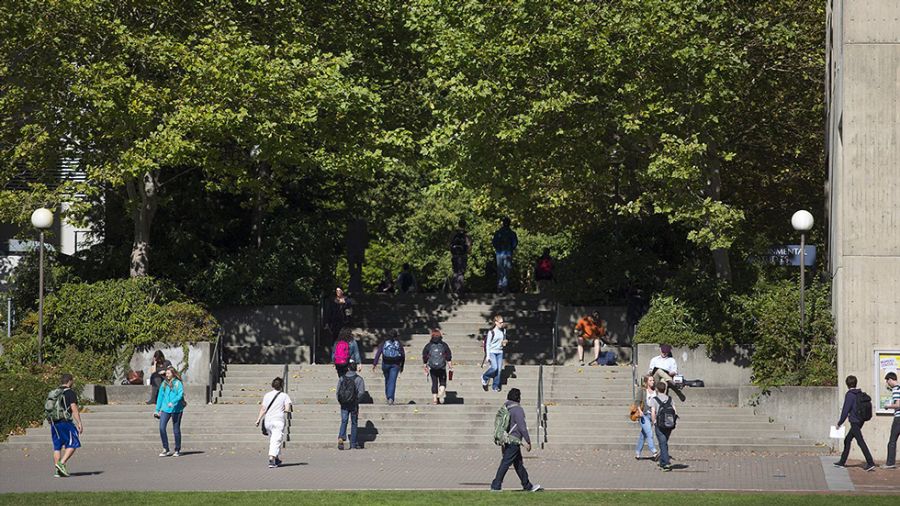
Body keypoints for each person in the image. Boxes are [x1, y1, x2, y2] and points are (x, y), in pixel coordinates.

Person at [490, 388, 543, 492]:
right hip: (514, 441)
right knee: (505, 463)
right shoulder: (518, 409)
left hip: (508, 439)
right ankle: (496, 486)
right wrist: (527, 441)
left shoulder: (507, 407)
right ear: (518, 397)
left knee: (518, 464)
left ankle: (527, 485)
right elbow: (522, 427)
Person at [834, 375, 876, 471]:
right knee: (847, 440)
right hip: (860, 420)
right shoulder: (859, 393)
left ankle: (870, 462)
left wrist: (839, 423)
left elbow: (845, 410)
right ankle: (842, 462)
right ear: (856, 383)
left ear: (847, 384)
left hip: (854, 421)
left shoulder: (850, 395)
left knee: (860, 441)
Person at [45, 373, 83, 477]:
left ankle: (57, 471)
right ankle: (61, 464)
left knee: (57, 447)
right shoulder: (70, 393)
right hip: (65, 422)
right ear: (70, 381)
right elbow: (74, 408)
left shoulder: (54, 393)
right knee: (74, 442)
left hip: (54, 423)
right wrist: (79, 422)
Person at [255, 377, 293, 468]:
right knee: (276, 440)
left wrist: (258, 419)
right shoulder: (284, 396)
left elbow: (263, 409)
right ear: (281, 386)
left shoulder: (267, 395)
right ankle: (271, 459)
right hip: (278, 421)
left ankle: (277, 459)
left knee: (274, 439)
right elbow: (287, 409)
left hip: (268, 421)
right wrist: (286, 410)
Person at [154, 366, 185, 457]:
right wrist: (157, 409)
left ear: (173, 373)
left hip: (177, 409)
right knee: (162, 427)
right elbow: (160, 397)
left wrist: (173, 402)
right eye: (166, 373)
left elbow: (180, 394)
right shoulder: (164, 384)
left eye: (168, 373)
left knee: (176, 429)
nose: (166, 375)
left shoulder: (178, 383)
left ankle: (177, 449)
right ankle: (166, 449)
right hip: (165, 408)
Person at [337, 360, 366, 450]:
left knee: (344, 420)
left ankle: (341, 437)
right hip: (354, 404)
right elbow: (361, 392)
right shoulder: (359, 379)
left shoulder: (342, 378)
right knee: (354, 422)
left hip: (344, 403)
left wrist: (341, 401)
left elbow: (338, 392)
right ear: (356, 368)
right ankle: (353, 443)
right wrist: (356, 400)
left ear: (348, 368)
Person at [372, 330, 405, 404]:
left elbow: (378, 353)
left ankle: (388, 396)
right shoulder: (398, 343)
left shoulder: (384, 343)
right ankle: (390, 398)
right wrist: (402, 365)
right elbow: (403, 355)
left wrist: (375, 364)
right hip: (395, 364)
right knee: (392, 381)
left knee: (387, 380)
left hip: (385, 364)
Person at [651, 381, 676, 471]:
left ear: (657, 389)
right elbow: (674, 411)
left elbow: (653, 412)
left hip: (660, 424)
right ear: (665, 389)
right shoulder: (670, 399)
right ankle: (662, 462)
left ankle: (666, 464)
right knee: (664, 443)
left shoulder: (654, 399)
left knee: (662, 443)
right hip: (669, 423)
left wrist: (654, 422)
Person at [423, 329, 453, 404]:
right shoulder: (444, 345)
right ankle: (439, 395)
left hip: (432, 368)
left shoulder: (428, 345)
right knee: (442, 382)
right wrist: (450, 365)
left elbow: (425, 356)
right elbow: (448, 355)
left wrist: (425, 365)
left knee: (434, 382)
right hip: (442, 367)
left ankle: (435, 399)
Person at [633, 374, 659, 461]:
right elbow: (637, 402)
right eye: (650, 380)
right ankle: (654, 451)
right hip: (643, 415)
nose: (653, 382)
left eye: (653, 380)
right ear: (646, 382)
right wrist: (640, 411)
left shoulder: (656, 391)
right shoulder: (642, 390)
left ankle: (637, 452)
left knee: (643, 435)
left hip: (652, 415)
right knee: (649, 433)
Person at [482, 315, 508, 392]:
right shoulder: (491, 332)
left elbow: (504, 340)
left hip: (500, 351)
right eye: (500, 322)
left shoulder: (503, 331)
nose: (502, 324)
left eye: (502, 322)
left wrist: (504, 342)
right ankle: (485, 377)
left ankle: (495, 386)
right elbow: (488, 344)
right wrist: (488, 355)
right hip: (492, 351)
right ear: (496, 322)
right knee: (494, 367)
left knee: (499, 370)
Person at [492, 217, 518, 293]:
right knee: (506, 271)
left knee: (500, 270)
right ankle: (504, 287)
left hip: (499, 253)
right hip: (508, 253)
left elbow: (494, 242)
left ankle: (499, 286)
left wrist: (498, 248)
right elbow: (515, 243)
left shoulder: (498, 232)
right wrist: (510, 249)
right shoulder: (512, 233)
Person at [449, 218, 472, 294]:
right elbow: (469, 245)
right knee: (461, 273)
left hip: (455, 255)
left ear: (458, 224)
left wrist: (452, 252)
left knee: (455, 272)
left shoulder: (453, 233)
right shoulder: (466, 234)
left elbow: (449, 244)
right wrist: (469, 252)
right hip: (463, 255)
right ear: (465, 225)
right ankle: (460, 290)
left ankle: (455, 289)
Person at [884, 372, 900, 469]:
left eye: (887, 381)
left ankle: (890, 463)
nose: (887, 383)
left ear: (890, 379)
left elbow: (898, 405)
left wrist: (888, 406)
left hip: (898, 418)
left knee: (892, 441)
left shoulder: (895, 390)